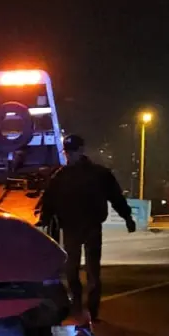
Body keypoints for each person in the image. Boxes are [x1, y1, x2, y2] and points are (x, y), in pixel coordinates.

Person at [37, 134, 135, 321]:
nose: (69, 155)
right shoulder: (64, 175)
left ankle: (90, 309)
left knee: (90, 271)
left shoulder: (92, 174)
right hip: (73, 228)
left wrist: (127, 217)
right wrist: (44, 220)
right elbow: (49, 201)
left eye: (72, 152)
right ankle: (79, 306)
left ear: (81, 150)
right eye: (67, 152)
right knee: (73, 269)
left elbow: (116, 197)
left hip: (89, 227)